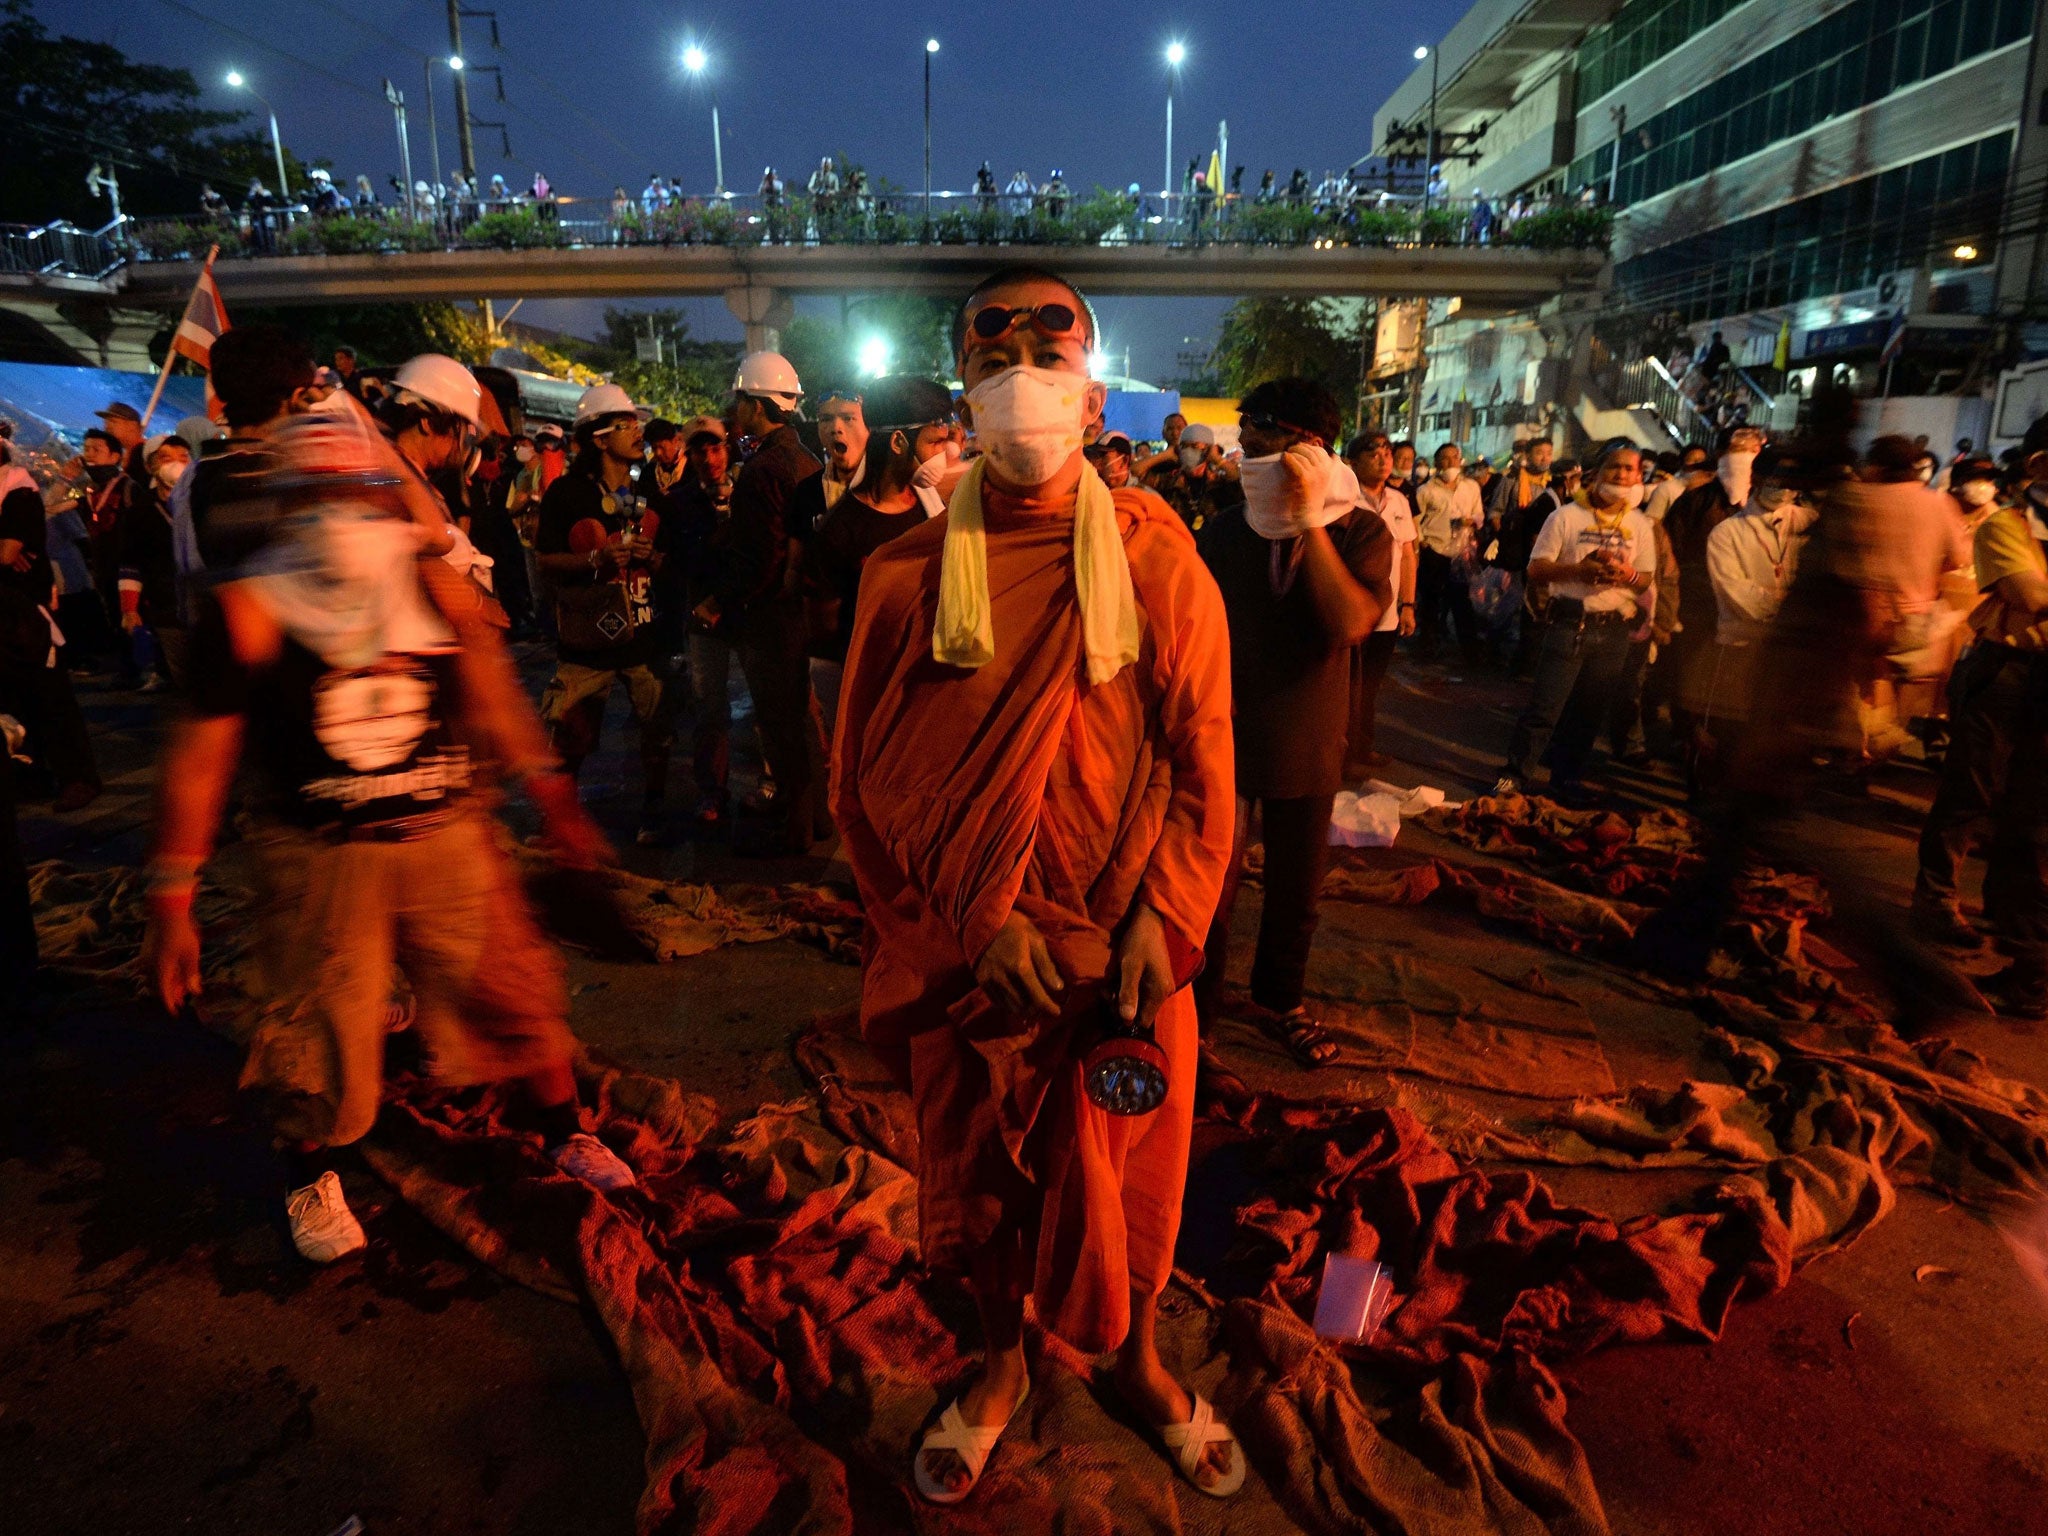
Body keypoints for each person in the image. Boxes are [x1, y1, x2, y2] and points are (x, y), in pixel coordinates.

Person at [833, 265, 1239, 1504]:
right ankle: (1001, 1367)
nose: (1020, 380)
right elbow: (864, 784)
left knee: (1128, 1174)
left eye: (1046, 359)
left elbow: (1198, 756)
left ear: (1094, 394)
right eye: (992, 356)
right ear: (961, 391)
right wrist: (973, 920)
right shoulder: (902, 576)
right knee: (984, 1185)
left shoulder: (1154, 554)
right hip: (974, 958)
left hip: (1117, 952)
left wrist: (1162, 923)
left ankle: (1137, 1362)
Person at [142, 382, 635, 1268]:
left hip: (443, 828)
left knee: (512, 984)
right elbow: (203, 754)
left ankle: (564, 1128)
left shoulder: (429, 583)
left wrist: (555, 803)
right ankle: (308, 1172)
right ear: (287, 507)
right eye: (318, 499)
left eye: (356, 496)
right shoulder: (251, 610)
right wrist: (170, 894)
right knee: (313, 1025)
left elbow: (492, 695)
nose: (342, 519)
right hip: (320, 851)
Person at [1198, 381, 1388, 1069]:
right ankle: (1197, 1015)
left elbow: (1350, 623)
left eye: (1260, 439)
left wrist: (1309, 521)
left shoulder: (1360, 529)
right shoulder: (1225, 529)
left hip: (1308, 736)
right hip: (1221, 731)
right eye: (1244, 439)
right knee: (1208, 889)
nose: (1245, 451)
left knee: (1295, 890)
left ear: (1308, 449)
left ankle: (1280, 1001)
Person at [535, 384, 677, 847]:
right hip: (585, 643)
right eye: (626, 424)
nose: (638, 432)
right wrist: (597, 559)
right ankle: (558, 825)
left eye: (637, 422)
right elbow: (546, 561)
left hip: (641, 635)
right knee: (570, 736)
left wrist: (653, 558)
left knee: (657, 734)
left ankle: (653, 814)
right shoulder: (565, 493)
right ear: (599, 438)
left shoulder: (643, 490)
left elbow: (663, 561)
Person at [700, 351, 825, 855]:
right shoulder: (807, 460)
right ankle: (817, 819)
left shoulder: (761, 470)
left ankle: (797, 832)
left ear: (756, 405)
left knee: (780, 725)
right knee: (803, 721)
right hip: (802, 612)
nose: (735, 412)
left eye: (740, 402)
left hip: (771, 618)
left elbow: (760, 558)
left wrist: (720, 602)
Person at [1498, 441, 1657, 799]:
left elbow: (1646, 577)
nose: (1622, 474)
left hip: (1614, 627)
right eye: (1614, 466)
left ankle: (1566, 777)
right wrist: (1578, 572)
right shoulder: (1566, 516)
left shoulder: (1639, 524)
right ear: (1595, 473)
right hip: (1570, 623)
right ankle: (1514, 774)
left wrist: (1627, 576)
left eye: (1630, 468)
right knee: (1544, 708)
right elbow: (1536, 568)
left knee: (1589, 712)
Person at [801, 375, 956, 739]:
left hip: (927, 690)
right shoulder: (840, 530)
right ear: (900, 442)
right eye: (935, 442)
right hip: (866, 697)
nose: (945, 455)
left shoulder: (937, 512)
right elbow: (823, 632)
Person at [1693, 446, 1814, 781]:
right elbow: (1735, 593)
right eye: (1777, 479)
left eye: (1792, 482)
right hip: (1740, 648)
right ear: (1757, 479)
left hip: (1789, 653)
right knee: (1730, 734)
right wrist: (1790, 607)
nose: (1784, 488)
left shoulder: (1809, 524)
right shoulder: (1727, 532)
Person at [0, 450, 99, 811]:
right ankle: (33, 775)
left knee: (51, 697)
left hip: (28, 617)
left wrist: (7, 548)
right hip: (8, 612)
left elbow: (9, 555)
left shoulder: (20, 494)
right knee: (14, 700)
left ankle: (79, 778)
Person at [1344, 429, 1417, 772]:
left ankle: (1361, 749)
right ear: (1352, 461)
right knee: (1342, 685)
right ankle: (1336, 752)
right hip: (1349, 609)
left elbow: (1408, 557)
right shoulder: (1343, 498)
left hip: (1386, 614)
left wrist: (1408, 605)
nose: (1384, 458)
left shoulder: (1400, 502)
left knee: (1369, 687)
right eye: (1373, 453)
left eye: (1388, 452)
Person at [118, 433, 193, 690]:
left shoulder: (202, 501)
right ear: (151, 466)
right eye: (166, 458)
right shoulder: (141, 511)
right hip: (166, 606)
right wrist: (130, 609)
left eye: (184, 457)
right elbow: (131, 562)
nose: (177, 464)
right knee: (185, 679)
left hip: (207, 605)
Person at [1412, 442, 1484, 661]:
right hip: (1434, 550)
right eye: (1446, 458)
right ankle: (1428, 648)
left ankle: (1469, 651)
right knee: (1431, 602)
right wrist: (1422, 543)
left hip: (1460, 554)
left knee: (1461, 601)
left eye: (1455, 457)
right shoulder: (1425, 490)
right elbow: (1416, 520)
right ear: (1437, 462)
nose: (1452, 462)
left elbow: (1480, 515)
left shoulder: (1471, 487)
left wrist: (1472, 522)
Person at [1645, 443, 1711, 522]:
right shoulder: (1667, 488)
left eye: (1702, 461)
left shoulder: (1706, 495)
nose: (1698, 465)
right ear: (1682, 463)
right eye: (1693, 460)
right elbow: (1651, 519)